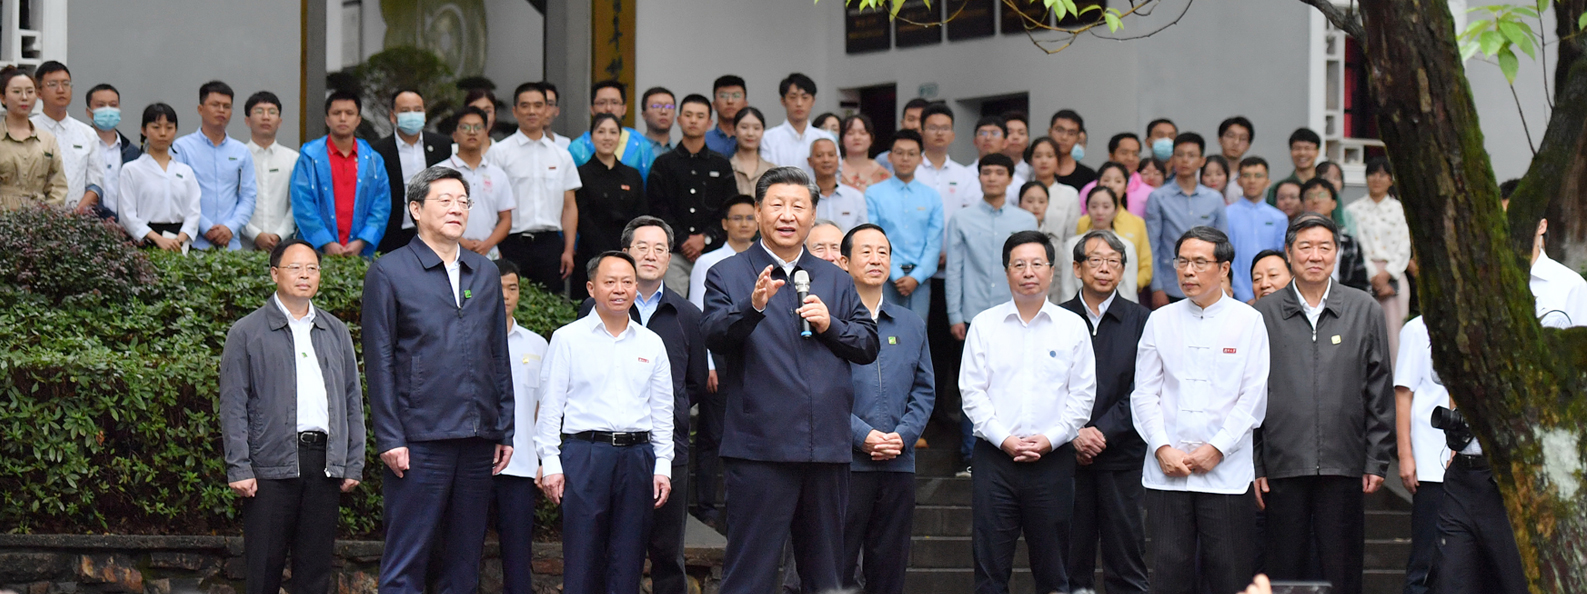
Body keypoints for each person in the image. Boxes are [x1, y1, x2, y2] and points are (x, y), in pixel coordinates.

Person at [701, 167, 879, 594]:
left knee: (825, 576)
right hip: (760, 449)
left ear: (813, 215)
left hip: (826, 448)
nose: (788, 215)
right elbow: (713, 334)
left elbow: (868, 343)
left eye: (798, 206)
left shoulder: (836, 278)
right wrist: (752, 306)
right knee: (750, 575)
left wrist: (831, 325)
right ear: (758, 211)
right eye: (777, 205)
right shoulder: (728, 274)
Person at [364, 166, 514, 594]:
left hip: (478, 438)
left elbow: (497, 354)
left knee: (464, 562)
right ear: (416, 209)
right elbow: (379, 360)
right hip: (420, 438)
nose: (456, 209)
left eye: (463, 201)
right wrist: (390, 437)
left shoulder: (484, 271)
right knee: (407, 559)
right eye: (444, 200)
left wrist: (504, 427)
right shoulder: (389, 272)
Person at [1252, 214, 1394, 594]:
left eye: (1324, 247)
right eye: (1305, 247)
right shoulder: (1262, 314)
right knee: (1283, 571)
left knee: (1341, 570)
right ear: (1289, 252)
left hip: (1344, 463)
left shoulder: (1364, 309)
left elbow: (1379, 388)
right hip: (1283, 466)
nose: (1315, 256)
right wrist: (1256, 463)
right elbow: (1250, 396)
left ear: (1336, 253)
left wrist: (1376, 458)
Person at [220, 238, 363, 594]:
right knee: (263, 570)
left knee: (315, 571)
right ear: (274, 274)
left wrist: (353, 462)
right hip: (269, 466)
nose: (305, 275)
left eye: (312, 268)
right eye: (295, 267)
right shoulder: (246, 332)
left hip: (324, 464)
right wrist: (239, 466)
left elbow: (352, 399)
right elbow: (233, 404)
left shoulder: (336, 331)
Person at [1131, 225, 1269, 594]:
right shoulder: (1160, 319)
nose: (1188, 271)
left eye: (1199, 262)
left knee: (1230, 575)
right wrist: (1162, 447)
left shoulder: (1248, 321)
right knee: (1169, 576)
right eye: (1182, 262)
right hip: (1167, 471)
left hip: (1226, 472)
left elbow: (1253, 397)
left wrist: (1217, 448)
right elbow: (1144, 393)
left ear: (1224, 268)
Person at [572, 217, 707, 594]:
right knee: (608, 547)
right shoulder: (594, 308)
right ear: (625, 252)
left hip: (668, 450)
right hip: (607, 448)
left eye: (660, 248)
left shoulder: (687, 315)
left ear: (669, 256)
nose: (651, 255)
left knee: (667, 552)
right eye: (642, 247)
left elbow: (695, 382)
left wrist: (668, 414)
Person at [959, 229, 1097, 594]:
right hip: (995, 458)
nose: (1028, 272)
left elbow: (1082, 396)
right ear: (1006, 271)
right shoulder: (984, 324)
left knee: (1054, 571)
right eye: (1018, 264)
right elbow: (971, 392)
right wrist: (1004, 440)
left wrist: (1050, 440)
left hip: (1053, 460)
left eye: (1037, 263)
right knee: (990, 570)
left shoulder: (1072, 326)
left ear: (1052, 271)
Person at [539, 250, 676, 594]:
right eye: (610, 281)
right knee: (582, 555)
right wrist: (550, 462)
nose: (619, 289)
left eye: (627, 282)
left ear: (636, 288)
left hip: (638, 457)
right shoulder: (568, 338)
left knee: (628, 558)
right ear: (591, 288)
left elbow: (662, 410)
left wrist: (663, 465)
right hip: (585, 454)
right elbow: (550, 405)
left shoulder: (651, 343)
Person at [836, 223, 936, 594]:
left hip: (898, 462)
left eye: (883, 252)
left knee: (890, 568)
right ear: (844, 262)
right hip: (845, 463)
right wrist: (862, 436)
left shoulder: (910, 323)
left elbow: (924, 390)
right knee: (837, 568)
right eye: (866, 251)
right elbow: (820, 392)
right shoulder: (829, 321)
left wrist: (903, 436)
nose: (876, 259)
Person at [1059, 229, 1151, 594]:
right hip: (1066, 455)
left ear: (1123, 270)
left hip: (1122, 457)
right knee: (1068, 561)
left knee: (1126, 560)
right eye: (1095, 260)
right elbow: (1046, 387)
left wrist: (1102, 432)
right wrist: (1075, 433)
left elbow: (1146, 388)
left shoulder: (1143, 320)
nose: (1104, 268)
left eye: (1113, 261)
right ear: (1077, 268)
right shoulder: (1057, 319)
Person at [685, 194, 758, 526]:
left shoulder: (763, 260)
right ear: (725, 223)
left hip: (754, 357)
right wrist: (708, 364)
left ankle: (741, 505)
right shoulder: (708, 261)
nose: (744, 224)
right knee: (712, 434)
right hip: (718, 356)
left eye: (749, 217)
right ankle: (706, 506)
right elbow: (698, 315)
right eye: (737, 218)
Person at [491, 259, 550, 594]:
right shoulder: (468, 338)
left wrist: (544, 459)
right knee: (461, 553)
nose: (506, 295)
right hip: (474, 464)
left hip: (523, 466)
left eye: (512, 288)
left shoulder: (537, 345)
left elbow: (545, 407)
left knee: (518, 558)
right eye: (499, 288)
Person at [492, 82, 582, 292]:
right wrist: (495, 247)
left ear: (547, 110)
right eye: (525, 106)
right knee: (508, 301)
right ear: (515, 111)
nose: (532, 111)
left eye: (538, 105)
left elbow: (569, 206)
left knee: (552, 303)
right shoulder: (499, 153)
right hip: (510, 243)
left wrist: (568, 249)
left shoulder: (562, 155)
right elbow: (490, 203)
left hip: (549, 245)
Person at [649, 93, 739, 296]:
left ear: (709, 123)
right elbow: (657, 208)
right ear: (679, 120)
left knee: (715, 306)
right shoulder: (663, 164)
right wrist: (682, 239)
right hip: (673, 254)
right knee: (672, 307)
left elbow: (729, 207)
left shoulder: (721, 164)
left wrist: (705, 238)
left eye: (700, 116)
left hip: (713, 252)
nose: (693, 121)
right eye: (688, 115)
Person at [947, 153, 1040, 339]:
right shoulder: (961, 219)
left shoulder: (1026, 221)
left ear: (1010, 179)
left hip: (1016, 310)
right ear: (979, 177)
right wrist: (954, 315)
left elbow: (1033, 269)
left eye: (999, 173)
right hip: (972, 312)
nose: (992, 178)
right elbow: (954, 270)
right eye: (986, 172)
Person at [289, 90, 391, 258]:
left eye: (349, 113)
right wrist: (325, 241)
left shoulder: (373, 160)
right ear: (327, 119)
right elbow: (302, 202)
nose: (343, 118)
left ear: (358, 120)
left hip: (359, 253)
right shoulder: (310, 157)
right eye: (337, 113)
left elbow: (381, 205)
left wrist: (362, 241)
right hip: (315, 252)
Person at [1392, 315, 1446, 594]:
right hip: (1431, 461)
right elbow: (1403, 393)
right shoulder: (1416, 329)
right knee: (1425, 561)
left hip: (1476, 464)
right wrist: (1405, 455)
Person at [864, 129, 943, 321]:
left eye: (912, 153)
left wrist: (917, 276)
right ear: (890, 157)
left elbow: (934, 242)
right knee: (884, 329)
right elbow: (873, 237)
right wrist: (895, 273)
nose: (905, 158)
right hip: (883, 274)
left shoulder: (932, 196)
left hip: (920, 279)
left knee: (917, 330)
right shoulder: (874, 193)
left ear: (921, 159)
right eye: (899, 153)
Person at [172, 81, 257, 251]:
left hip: (231, 244)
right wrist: (206, 228)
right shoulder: (181, 148)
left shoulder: (241, 151)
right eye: (215, 105)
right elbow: (179, 194)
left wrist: (230, 228)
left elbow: (248, 196)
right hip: (194, 242)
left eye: (227, 106)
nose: (221, 110)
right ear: (200, 109)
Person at [1146, 133, 1228, 308]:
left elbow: (1223, 246)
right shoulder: (1158, 197)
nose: (1185, 160)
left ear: (1202, 161)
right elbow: (1152, 245)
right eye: (1180, 154)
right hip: (1170, 284)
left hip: (1207, 283)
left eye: (1191, 155)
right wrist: (1157, 288)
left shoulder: (1214, 199)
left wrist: (1223, 281)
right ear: (1172, 158)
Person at [572, 113, 648, 300]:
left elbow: (640, 217)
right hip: (590, 254)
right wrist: (606, 253)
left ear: (619, 138)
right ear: (591, 137)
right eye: (601, 132)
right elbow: (582, 217)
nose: (607, 137)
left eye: (613, 132)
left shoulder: (632, 175)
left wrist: (626, 250)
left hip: (627, 254)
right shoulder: (580, 174)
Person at [1345, 157, 1412, 356]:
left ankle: (1396, 374)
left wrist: (1387, 274)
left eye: (1382, 175)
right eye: (1372, 174)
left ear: (1391, 180)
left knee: (1395, 332)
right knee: (1363, 330)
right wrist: (1373, 274)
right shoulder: (1353, 210)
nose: (1377, 179)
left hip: (1394, 275)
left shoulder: (1400, 210)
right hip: (1363, 274)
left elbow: (1405, 245)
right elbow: (1357, 243)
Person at [374, 89, 450, 254]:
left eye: (417, 110)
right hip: (394, 235)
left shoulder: (443, 146)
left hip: (435, 232)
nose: (412, 115)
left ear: (424, 114)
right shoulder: (378, 151)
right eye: (405, 111)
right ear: (393, 116)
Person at [118, 103, 200, 251]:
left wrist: (180, 239)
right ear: (144, 130)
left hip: (179, 244)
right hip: (145, 243)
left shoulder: (185, 171)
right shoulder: (131, 170)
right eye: (156, 127)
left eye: (169, 128)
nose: (163, 133)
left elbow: (193, 212)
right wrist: (157, 239)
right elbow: (127, 215)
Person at [29, 61, 103, 213]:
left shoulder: (87, 134)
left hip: (75, 219)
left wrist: (75, 215)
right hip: (33, 217)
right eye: (53, 84)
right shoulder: (28, 129)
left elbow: (95, 184)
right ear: (39, 92)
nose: (61, 90)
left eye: (66, 84)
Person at [442, 107, 514, 260]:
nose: (472, 132)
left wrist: (488, 244)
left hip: (488, 253)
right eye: (465, 127)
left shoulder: (498, 174)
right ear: (454, 135)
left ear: (486, 133)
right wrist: (462, 242)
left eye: (478, 127)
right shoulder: (439, 172)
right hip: (448, 252)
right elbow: (431, 216)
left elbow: (506, 219)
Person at [0, 66, 69, 211]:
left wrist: (46, 216)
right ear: (3, 98)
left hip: (38, 217)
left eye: (30, 92)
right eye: (17, 92)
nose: (24, 97)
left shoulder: (47, 140)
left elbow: (58, 185)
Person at [1078, 162, 1151, 292]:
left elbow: (1146, 266)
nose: (1111, 185)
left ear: (1126, 186)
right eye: (1106, 180)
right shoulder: (1084, 222)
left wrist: (1129, 285)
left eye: (1118, 181)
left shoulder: (1137, 222)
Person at [1061, 186, 1141, 303]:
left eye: (1106, 207)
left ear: (1116, 210)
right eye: (1094, 206)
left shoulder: (1127, 247)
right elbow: (1067, 288)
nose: (1099, 212)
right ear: (1087, 209)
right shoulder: (1072, 244)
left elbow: (1129, 290)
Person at [1225, 156, 1288, 302]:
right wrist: (1246, 297)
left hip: (1271, 294)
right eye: (1246, 175)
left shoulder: (1279, 218)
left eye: (1258, 176)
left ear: (1267, 181)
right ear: (1239, 181)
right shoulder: (1227, 214)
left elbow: (1282, 260)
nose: (1252, 181)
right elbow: (1225, 259)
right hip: (1234, 296)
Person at [242, 91, 298, 252]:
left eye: (272, 112)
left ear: (279, 122)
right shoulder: (237, 157)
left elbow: (297, 204)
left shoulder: (293, 159)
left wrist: (279, 235)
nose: (266, 117)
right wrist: (255, 235)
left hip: (282, 247)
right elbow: (231, 203)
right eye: (259, 111)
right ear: (247, 120)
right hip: (243, 248)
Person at [568, 80, 655, 181]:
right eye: (601, 103)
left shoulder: (641, 146)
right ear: (592, 109)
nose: (608, 108)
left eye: (614, 103)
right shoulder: (577, 148)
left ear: (624, 109)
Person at [1300, 179, 1370, 291]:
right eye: (1310, 196)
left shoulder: (1349, 243)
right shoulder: (1293, 240)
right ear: (1302, 204)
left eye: (1322, 195)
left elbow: (1361, 283)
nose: (1316, 200)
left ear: (1334, 203)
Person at [915, 103, 981, 221]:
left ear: (952, 135)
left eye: (945, 128)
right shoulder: (911, 172)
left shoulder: (965, 176)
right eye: (933, 128)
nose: (939, 133)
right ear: (922, 133)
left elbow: (974, 214)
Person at [760, 73, 835, 177]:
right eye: (793, 97)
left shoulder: (825, 138)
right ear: (783, 101)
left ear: (813, 101)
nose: (799, 103)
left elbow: (836, 175)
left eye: (805, 97)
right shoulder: (768, 139)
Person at [85, 83, 141, 221]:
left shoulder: (132, 152)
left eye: (113, 105)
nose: (108, 110)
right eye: (101, 105)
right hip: (88, 224)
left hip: (127, 227)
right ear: (89, 112)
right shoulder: (81, 147)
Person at [1025, 136, 1082, 244]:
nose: (1044, 161)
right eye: (1038, 156)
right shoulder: (1023, 191)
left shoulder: (1070, 194)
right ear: (1031, 161)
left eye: (1050, 156)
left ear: (1058, 160)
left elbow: (1072, 235)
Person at [1081, 139, 1152, 218]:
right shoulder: (1089, 189)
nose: (1130, 158)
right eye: (1124, 153)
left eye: (1135, 154)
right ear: (1111, 156)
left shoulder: (1149, 193)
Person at [810, 138, 866, 232]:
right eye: (819, 155)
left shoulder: (855, 197)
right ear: (810, 161)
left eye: (831, 155)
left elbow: (863, 233)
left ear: (838, 159)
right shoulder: (805, 197)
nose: (826, 160)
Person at [730, 107, 777, 197]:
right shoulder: (726, 168)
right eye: (744, 127)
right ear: (734, 130)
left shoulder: (773, 171)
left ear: (763, 131)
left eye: (756, 128)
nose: (750, 133)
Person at [837, 113, 891, 192]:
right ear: (841, 140)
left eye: (862, 133)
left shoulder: (883, 174)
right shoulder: (835, 171)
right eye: (850, 133)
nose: (857, 137)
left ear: (871, 139)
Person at [1267, 128, 1320, 205]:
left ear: (1317, 152)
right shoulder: (1278, 188)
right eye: (1297, 148)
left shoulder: (1327, 187)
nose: (1302, 153)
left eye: (1307, 148)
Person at [876, 97, 930, 173]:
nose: (916, 125)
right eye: (911, 119)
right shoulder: (884, 160)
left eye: (921, 120)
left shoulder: (937, 159)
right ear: (902, 124)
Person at [969, 116, 1024, 188]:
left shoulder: (1017, 184)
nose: (988, 138)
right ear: (975, 142)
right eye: (983, 133)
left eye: (994, 133)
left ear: (1005, 143)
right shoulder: (964, 176)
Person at [1048, 109, 1096, 188]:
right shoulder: (1038, 171)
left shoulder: (1089, 176)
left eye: (1071, 133)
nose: (1064, 137)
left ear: (1078, 137)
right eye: (1059, 130)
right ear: (1050, 132)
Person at [707, 75, 748, 157]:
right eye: (723, 96)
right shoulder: (702, 141)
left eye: (736, 96)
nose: (730, 101)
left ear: (745, 104)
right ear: (714, 104)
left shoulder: (754, 140)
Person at [1217, 117, 1254, 203]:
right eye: (1231, 136)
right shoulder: (1202, 174)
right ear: (1220, 139)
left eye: (1243, 139)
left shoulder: (1250, 178)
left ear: (1248, 146)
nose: (1236, 142)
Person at [640, 86, 677, 156]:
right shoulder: (636, 151)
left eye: (669, 107)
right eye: (656, 106)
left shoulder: (680, 153)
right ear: (644, 114)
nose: (664, 112)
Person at [1001, 111, 1033, 182]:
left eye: (1021, 133)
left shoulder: (1033, 173)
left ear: (1027, 140)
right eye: (1009, 133)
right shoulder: (990, 172)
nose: (1015, 137)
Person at [541, 82, 574, 150]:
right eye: (539, 104)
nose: (545, 109)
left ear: (557, 111)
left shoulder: (566, 145)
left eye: (550, 104)